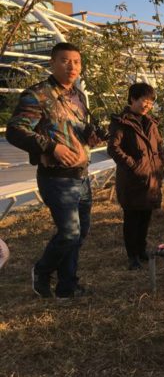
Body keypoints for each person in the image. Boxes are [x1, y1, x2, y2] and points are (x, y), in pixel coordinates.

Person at [6, 42, 105, 299]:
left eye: (76, 61)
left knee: (79, 233)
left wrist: (91, 137)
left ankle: (67, 286)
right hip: (56, 177)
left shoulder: (78, 96)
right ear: (52, 63)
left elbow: (79, 128)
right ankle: (42, 270)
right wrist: (51, 147)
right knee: (69, 232)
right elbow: (16, 131)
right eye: (64, 60)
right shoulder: (36, 95)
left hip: (81, 175)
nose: (71, 66)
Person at [107, 83, 164, 270]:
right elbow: (113, 148)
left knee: (145, 217)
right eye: (144, 100)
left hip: (151, 178)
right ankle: (132, 255)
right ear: (132, 99)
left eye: (150, 102)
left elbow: (159, 145)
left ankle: (141, 250)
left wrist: (162, 161)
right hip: (132, 180)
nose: (147, 105)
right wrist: (133, 165)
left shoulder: (150, 122)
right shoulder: (121, 122)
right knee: (132, 219)